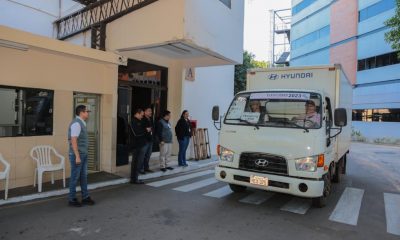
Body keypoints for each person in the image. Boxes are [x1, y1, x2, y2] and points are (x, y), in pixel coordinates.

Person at [67, 105, 95, 207]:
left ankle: (85, 197)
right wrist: (77, 156)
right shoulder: (76, 124)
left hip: (82, 154)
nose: (88, 113)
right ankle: (72, 199)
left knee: (83, 176)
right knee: (75, 177)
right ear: (81, 112)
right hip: (77, 155)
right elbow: (73, 140)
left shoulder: (81, 123)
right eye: (87, 111)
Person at [129, 108, 146, 184]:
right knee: (136, 162)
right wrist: (146, 130)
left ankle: (135, 178)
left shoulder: (140, 121)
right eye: (141, 115)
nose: (142, 116)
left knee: (138, 162)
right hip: (136, 145)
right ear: (137, 113)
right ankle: (134, 179)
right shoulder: (133, 121)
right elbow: (136, 133)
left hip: (140, 144)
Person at [141, 107, 154, 174]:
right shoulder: (142, 119)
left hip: (150, 139)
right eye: (149, 111)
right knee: (143, 155)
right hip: (145, 140)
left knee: (148, 155)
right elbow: (142, 129)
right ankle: (141, 169)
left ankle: (146, 168)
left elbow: (152, 128)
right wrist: (147, 129)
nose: (150, 112)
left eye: (151, 111)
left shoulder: (151, 119)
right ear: (145, 112)